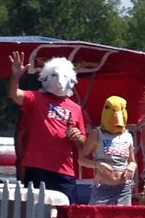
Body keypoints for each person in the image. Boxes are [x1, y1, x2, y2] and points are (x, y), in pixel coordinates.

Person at [7, 51, 86, 203]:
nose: (59, 81)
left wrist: (77, 136)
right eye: (54, 76)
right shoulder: (35, 98)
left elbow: (84, 144)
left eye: (63, 77)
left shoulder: (75, 108)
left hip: (64, 170)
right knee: (35, 211)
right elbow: (13, 94)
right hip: (37, 168)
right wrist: (16, 75)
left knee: (67, 211)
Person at [79, 95, 136, 205]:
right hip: (102, 189)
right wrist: (98, 165)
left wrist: (132, 166)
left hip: (124, 189)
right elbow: (81, 160)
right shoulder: (97, 134)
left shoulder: (128, 136)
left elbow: (132, 161)